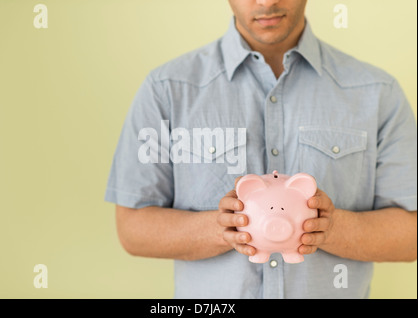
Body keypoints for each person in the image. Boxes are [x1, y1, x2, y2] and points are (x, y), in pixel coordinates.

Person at [105, 0, 417, 298]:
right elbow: (133, 229)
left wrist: (330, 227)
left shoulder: (377, 93)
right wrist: (224, 227)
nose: (267, 2)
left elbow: (410, 236)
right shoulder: (167, 89)